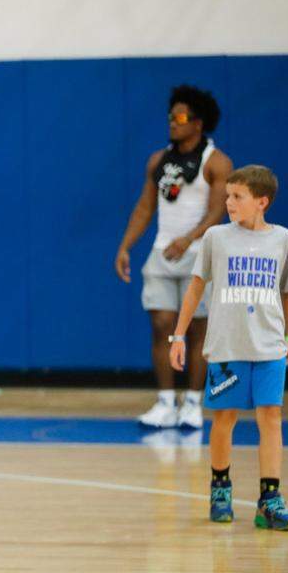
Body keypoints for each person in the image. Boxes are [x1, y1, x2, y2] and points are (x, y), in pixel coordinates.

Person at [170, 165, 288, 530]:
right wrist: (178, 335)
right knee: (224, 419)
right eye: (227, 195)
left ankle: (269, 500)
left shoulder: (283, 239)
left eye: (237, 197)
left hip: (270, 345)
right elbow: (196, 287)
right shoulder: (216, 237)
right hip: (227, 346)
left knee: (270, 418)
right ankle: (221, 488)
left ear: (262, 202)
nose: (228, 202)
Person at [115, 85, 232, 429]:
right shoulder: (158, 160)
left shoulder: (217, 161)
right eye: (171, 116)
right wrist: (125, 246)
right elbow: (144, 207)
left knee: (197, 330)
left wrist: (189, 239)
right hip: (162, 252)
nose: (173, 122)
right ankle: (166, 402)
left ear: (199, 123)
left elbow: (217, 212)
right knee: (162, 326)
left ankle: (193, 402)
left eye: (180, 117)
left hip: (198, 255)